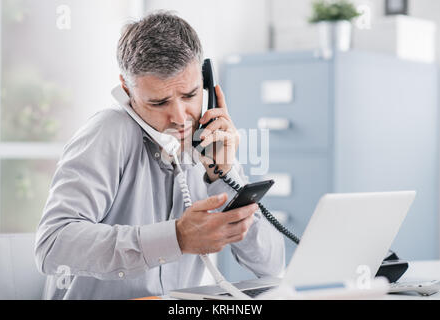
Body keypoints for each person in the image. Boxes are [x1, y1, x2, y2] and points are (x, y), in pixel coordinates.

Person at [34, 11, 285, 300]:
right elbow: (51, 246)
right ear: (127, 89)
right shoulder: (107, 133)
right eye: (159, 102)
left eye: (190, 95)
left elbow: (270, 266)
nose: (180, 118)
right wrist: (176, 238)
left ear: (204, 82)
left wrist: (222, 175)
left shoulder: (208, 140)